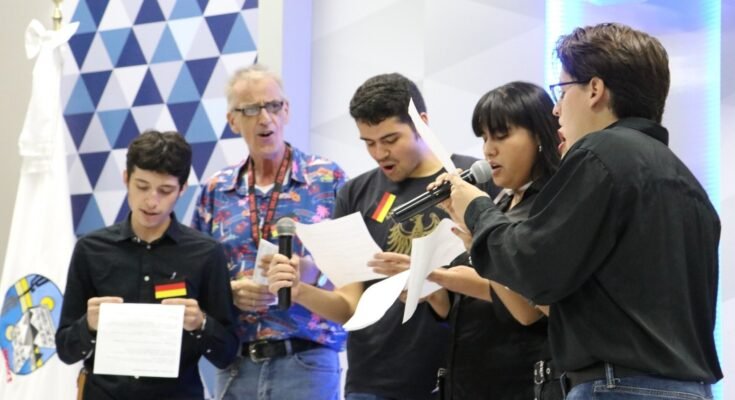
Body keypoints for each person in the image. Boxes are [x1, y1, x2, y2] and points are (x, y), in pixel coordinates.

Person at [438, 23, 722, 400]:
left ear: (594, 90)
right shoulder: (690, 186)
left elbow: (535, 269)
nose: (556, 109)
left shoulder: (600, 154)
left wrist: (475, 207)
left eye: (562, 91)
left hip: (617, 386)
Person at [267, 73, 494, 400]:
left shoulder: (470, 180)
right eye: (369, 142)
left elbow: (501, 289)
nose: (379, 153)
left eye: (390, 139)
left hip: (458, 375)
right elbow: (349, 306)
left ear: (422, 124)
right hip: (371, 381)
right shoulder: (355, 193)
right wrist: (300, 290)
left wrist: (430, 281)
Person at [192, 64, 348, 400]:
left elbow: (356, 270)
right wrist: (229, 292)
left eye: (273, 106)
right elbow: (196, 277)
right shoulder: (216, 190)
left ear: (286, 110)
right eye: (251, 109)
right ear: (233, 120)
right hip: (235, 365)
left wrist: (312, 271)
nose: (265, 118)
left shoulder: (327, 179)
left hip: (306, 361)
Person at [55, 130, 239, 400]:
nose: (152, 201)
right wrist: (88, 325)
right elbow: (65, 350)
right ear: (126, 179)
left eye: (165, 191)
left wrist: (201, 324)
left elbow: (227, 354)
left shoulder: (206, 253)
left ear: (182, 189)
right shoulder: (90, 250)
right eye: (142, 186)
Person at [427, 81, 562, 400]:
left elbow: (527, 311)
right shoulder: (500, 202)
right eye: (485, 137)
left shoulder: (551, 201)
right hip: (470, 378)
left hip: (523, 381)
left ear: (540, 135)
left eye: (501, 135)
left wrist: (470, 248)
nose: (489, 149)